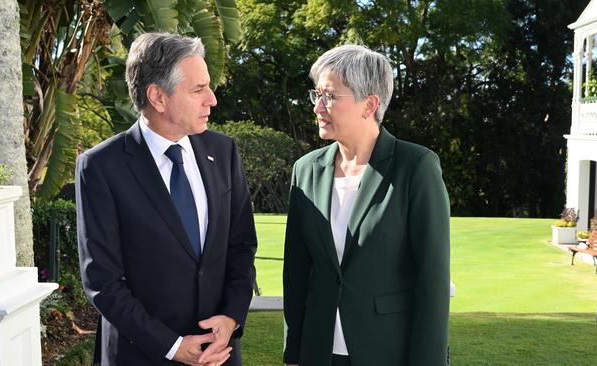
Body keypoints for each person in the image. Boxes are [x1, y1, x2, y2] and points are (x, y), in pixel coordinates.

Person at [76, 32, 257, 366]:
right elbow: (103, 281)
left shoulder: (224, 151)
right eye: (198, 89)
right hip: (140, 355)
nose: (213, 99)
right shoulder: (101, 167)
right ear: (158, 97)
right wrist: (172, 346)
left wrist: (231, 317)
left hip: (219, 355)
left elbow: (242, 246)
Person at [282, 44, 450, 366]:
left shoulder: (415, 167)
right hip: (318, 353)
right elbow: (297, 272)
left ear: (369, 104)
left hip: (387, 351)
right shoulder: (305, 170)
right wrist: (294, 352)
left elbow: (432, 280)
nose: (318, 107)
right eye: (316, 94)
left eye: (329, 96)